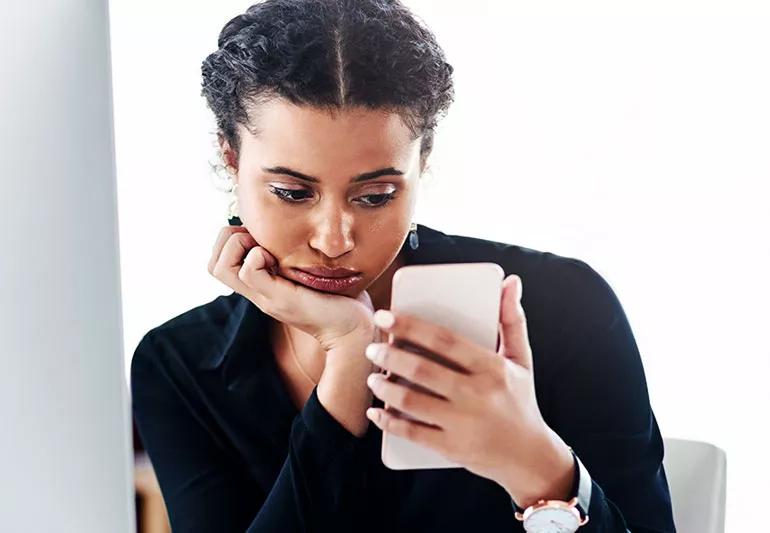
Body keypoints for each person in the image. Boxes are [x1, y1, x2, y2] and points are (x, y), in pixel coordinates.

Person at [130, 1, 676, 532]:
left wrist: (537, 466)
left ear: (423, 163)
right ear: (231, 157)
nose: (334, 240)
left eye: (375, 195)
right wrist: (349, 354)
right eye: (292, 192)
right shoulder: (179, 364)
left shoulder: (566, 308)